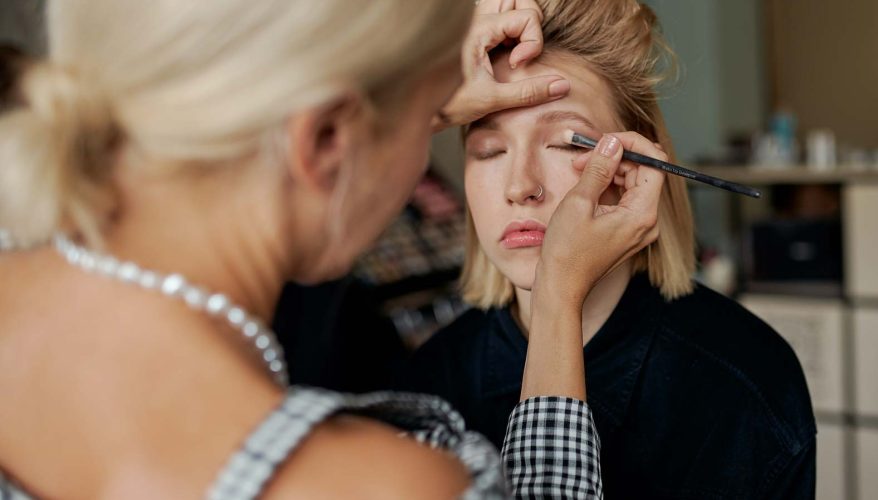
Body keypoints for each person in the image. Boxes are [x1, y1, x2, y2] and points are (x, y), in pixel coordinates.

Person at [0, 0, 668, 497]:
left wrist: (402, 98)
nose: (518, 184)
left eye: (563, 143)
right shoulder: (380, 484)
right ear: (323, 142)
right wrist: (558, 302)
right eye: (470, 139)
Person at [399, 0, 817, 497]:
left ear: (639, 164)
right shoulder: (427, 387)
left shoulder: (745, 381)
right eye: (489, 150)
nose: (520, 186)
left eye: (568, 142)